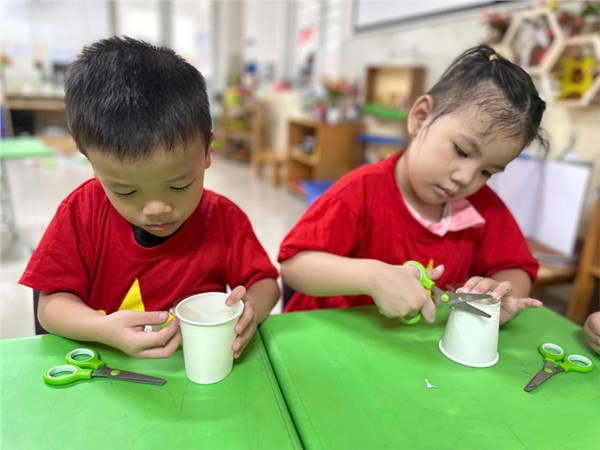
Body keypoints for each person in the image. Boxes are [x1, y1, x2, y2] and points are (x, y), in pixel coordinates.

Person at [19, 36, 279, 358]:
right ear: (93, 165)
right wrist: (100, 328)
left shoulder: (223, 219)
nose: (157, 208)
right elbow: (50, 307)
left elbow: (265, 283)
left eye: (180, 185)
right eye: (126, 191)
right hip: (105, 373)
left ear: (207, 152)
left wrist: (251, 307)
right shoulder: (83, 212)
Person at [279, 45, 547, 325]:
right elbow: (294, 266)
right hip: (334, 334)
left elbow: (516, 268)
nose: (466, 179)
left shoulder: (483, 206)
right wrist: (371, 277)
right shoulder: (358, 193)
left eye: (487, 172)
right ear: (420, 117)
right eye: (462, 151)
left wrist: (499, 294)